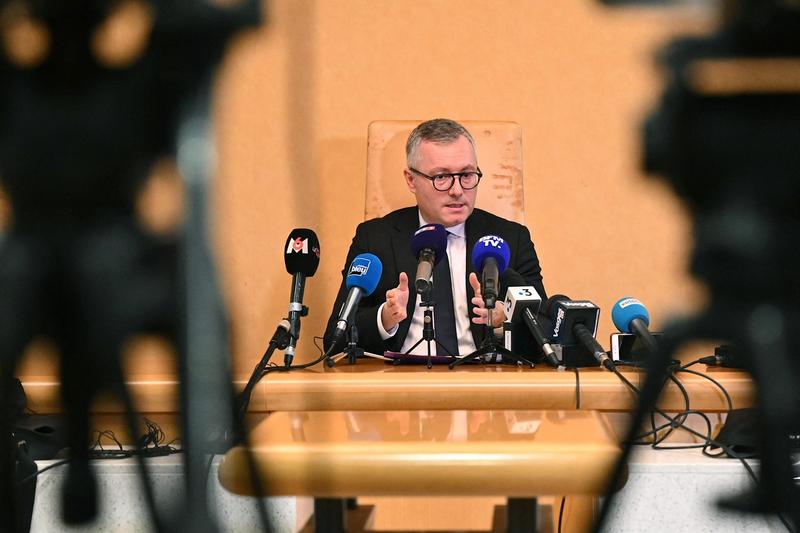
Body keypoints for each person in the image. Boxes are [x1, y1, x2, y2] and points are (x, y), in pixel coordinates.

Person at [323, 118, 546, 357]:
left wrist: (504, 322)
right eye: (441, 177)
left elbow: (547, 332)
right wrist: (385, 318)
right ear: (411, 180)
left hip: (482, 375)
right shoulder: (376, 239)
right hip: (402, 377)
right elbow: (335, 340)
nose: (457, 190)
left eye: (467, 175)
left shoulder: (509, 239)